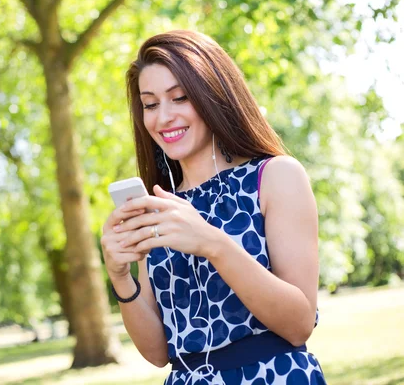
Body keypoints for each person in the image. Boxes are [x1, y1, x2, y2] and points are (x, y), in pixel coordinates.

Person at [101, 30, 326, 385]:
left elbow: (299, 326)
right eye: (151, 104)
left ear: (213, 96)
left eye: (179, 98)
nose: (164, 117)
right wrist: (118, 276)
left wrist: (212, 243)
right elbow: (159, 352)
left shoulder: (275, 176)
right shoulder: (157, 205)